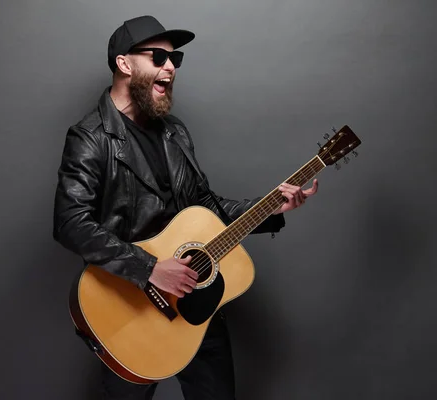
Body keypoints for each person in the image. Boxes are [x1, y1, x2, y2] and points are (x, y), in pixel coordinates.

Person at [53, 15, 318, 400]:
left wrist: (273, 207)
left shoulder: (174, 132)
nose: (171, 67)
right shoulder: (91, 138)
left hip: (197, 305)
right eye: (158, 57)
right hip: (132, 310)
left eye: (175, 59)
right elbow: (70, 222)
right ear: (124, 64)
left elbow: (206, 208)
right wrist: (150, 269)